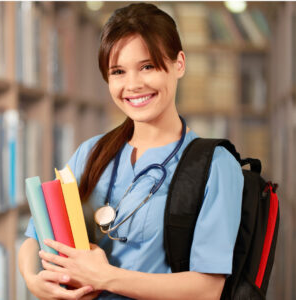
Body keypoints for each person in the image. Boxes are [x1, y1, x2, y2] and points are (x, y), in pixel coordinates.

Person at [18, 3, 244, 300]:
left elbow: (207, 290)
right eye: (118, 71)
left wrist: (107, 277)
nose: (133, 85)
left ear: (179, 64)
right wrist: (33, 280)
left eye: (147, 66)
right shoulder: (92, 152)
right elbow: (35, 234)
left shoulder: (215, 165)